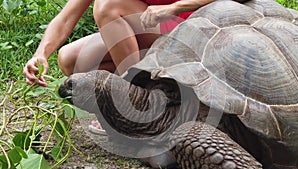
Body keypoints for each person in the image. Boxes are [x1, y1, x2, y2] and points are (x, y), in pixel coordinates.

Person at [22, 0, 224, 133]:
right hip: (148, 30)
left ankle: (131, 104)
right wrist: (40, 54)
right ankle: (154, 86)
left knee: (108, 5)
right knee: (70, 59)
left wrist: (175, 7)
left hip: (187, 31)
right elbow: (66, 17)